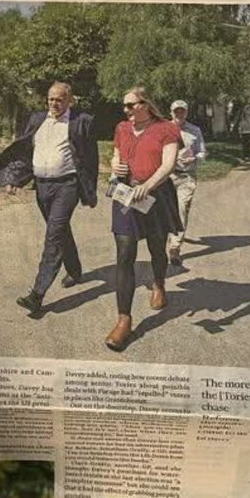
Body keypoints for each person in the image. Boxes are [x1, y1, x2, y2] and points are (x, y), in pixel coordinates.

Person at [0, 81, 99, 316]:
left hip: (67, 186)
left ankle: (37, 295)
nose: (54, 103)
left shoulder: (81, 121)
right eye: (51, 99)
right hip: (42, 186)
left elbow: (90, 158)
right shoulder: (37, 119)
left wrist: (90, 191)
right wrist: (15, 179)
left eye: (59, 99)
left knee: (54, 235)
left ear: (69, 100)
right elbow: (25, 153)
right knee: (59, 230)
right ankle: (74, 270)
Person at [105, 87, 181, 352]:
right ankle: (124, 320)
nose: (125, 110)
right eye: (124, 105)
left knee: (156, 247)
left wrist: (147, 186)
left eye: (131, 105)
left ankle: (159, 283)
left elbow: (168, 165)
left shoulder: (166, 129)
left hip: (155, 196)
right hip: (126, 195)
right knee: (125, 252)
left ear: (146, 104)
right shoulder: (122, 128)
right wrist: (114, 166)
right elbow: (117, 154)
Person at [167, 99, 207, 267]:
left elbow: (202, 152)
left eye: (182, 111)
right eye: (176, 111)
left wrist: (195, 158)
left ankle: (175, 247)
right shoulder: (164, 129)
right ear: (171, 112)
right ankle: (166, 236)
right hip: (167, 176)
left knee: (182, 209)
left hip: (187, 177)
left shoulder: (194, 131)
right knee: (165, 210)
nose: (179, 114)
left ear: (186, 112)